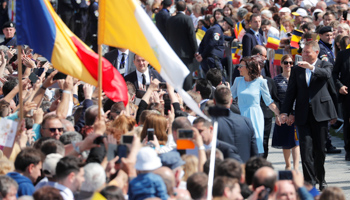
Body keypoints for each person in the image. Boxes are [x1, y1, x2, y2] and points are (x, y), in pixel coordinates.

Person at [280, 41, 338, 191]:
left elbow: (326, 75)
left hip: (321, 114)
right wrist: (285, 112)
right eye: (303, 52)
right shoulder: (297, 69)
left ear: (316, 52)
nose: (304, 54)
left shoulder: (324, 64)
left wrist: (311, 68)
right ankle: (309, 183)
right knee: (305, 151)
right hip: (302, 115)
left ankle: (321, 178)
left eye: (307, 52)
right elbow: (291, 92)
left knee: (320, 150)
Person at [231, 57, 281, 155]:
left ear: (249, 68)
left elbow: (269, 102)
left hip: (255, 116)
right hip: (241, 116)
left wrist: (279, 114)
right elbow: (229, 98)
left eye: (241, 66)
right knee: (241, 146)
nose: (238, 68)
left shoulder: (261, 82)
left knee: (255, 146)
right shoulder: (238, 81)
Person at [214, 86, 258, 162]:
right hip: (243, 168)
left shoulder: (212, 123)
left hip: (221, 169)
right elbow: (254, 150)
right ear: (231, 101)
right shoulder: (246, 121)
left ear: (214, 102)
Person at [272, 55, 300, 170]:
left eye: (290, 63)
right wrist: (278, 115)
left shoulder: (298, 78)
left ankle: (296, 167)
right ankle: (288, 165)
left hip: (296, 114)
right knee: (286, 141)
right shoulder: (276, 80)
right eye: (285, 62)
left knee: (296, 141)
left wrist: (293, 114)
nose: (288, 65)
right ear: (281, 64)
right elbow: (274, 99)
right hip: (283, 115)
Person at [166, 1, 197, 91]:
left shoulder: (170, 19)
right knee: (187, 75)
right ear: (186, 9)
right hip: (186, 53)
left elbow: (167, 36)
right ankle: (186, 94)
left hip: (173, 53)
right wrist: (196, 50)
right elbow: (192, 36)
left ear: (176, 8)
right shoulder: (187, 19)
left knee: (175, 76)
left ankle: (175, 94)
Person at [332, 44, 350, 161]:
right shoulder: (343, 55)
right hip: (347, 95)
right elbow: (334, 74)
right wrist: (339, 86)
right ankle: (349, 150)